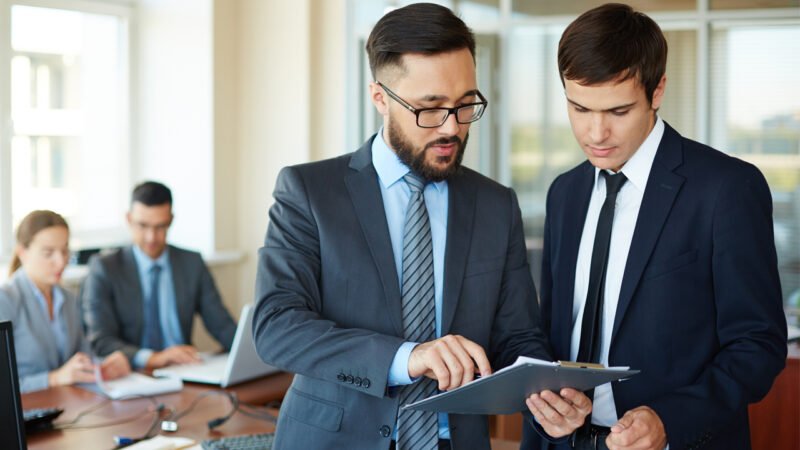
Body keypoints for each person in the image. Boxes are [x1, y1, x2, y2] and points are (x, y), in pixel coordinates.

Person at [251, 4, 591, 450]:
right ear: (379, 98)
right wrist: (407, 357)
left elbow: (518, 338)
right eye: (430, 108)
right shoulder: (309, 192)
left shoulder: (496, 205)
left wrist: (549, 396)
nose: (452, 127)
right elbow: (277, 326)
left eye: (466, 104)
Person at [521, 4, 788, 450]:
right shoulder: (563, 193)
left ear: (657, 90)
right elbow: (553, 330)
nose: (596, 132)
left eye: (618, 111)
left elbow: (758, 344)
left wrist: (669, 420)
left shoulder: (727, 189)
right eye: (579, 108)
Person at [82, 181, 237, 370]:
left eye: (160, 227)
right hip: (134, 373)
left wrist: (249, 354)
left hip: (184, 370)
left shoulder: (191, 263)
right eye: (142, 226)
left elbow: (222, 325)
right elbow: (101, 340)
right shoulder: (105, 268)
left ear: (171, 220)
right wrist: (154, 358)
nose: (151, 237)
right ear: (129, 219)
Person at [0, 210, 130, 393]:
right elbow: (4, 388)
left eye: (64, 250)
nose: (61, 262)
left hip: (66, 406)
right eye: (48, 253)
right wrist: (54, 378)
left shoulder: (68, 299)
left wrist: (104, 366)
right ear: (22, 252)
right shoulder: (5, 300)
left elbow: (82, 357)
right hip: (27, 412)